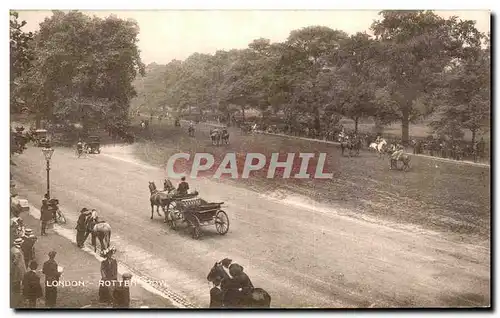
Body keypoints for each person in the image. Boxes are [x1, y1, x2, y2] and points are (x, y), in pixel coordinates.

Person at [11, 238, 26, 307]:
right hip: (18, 269)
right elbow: (15, 262)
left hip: (17, 268)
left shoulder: (12, 249)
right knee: (18, 281)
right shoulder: (17, 251)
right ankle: (17, 300)